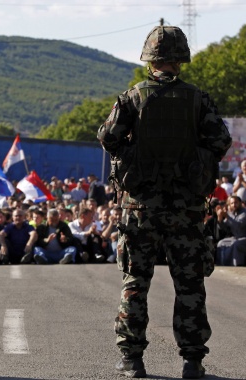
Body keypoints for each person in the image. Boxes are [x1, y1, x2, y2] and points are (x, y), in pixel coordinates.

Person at [97, 25, 232, 379]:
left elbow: (107, 137)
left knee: (135, 283)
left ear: (150, 59)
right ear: (181, 59)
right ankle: (192, 361)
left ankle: (132, 360)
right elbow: (220, 141)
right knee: (189, 285)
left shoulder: (132, 97)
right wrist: (193, 159)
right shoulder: (197, 99)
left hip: (141, 207)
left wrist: (135, 156)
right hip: (186, 209)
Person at [215, 195, 246, 266]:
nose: (234, 205)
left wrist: (226, 216)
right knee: (221, 243)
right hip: (235, 238)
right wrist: (220, 218)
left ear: (240, 203)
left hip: (244, 237)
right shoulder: (231, 213)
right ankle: (222, 264)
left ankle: (238, 265)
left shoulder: (244, 213)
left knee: (236, 244)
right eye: (232, 203)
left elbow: (238, 225)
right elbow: (224, 228)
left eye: (236, 202)